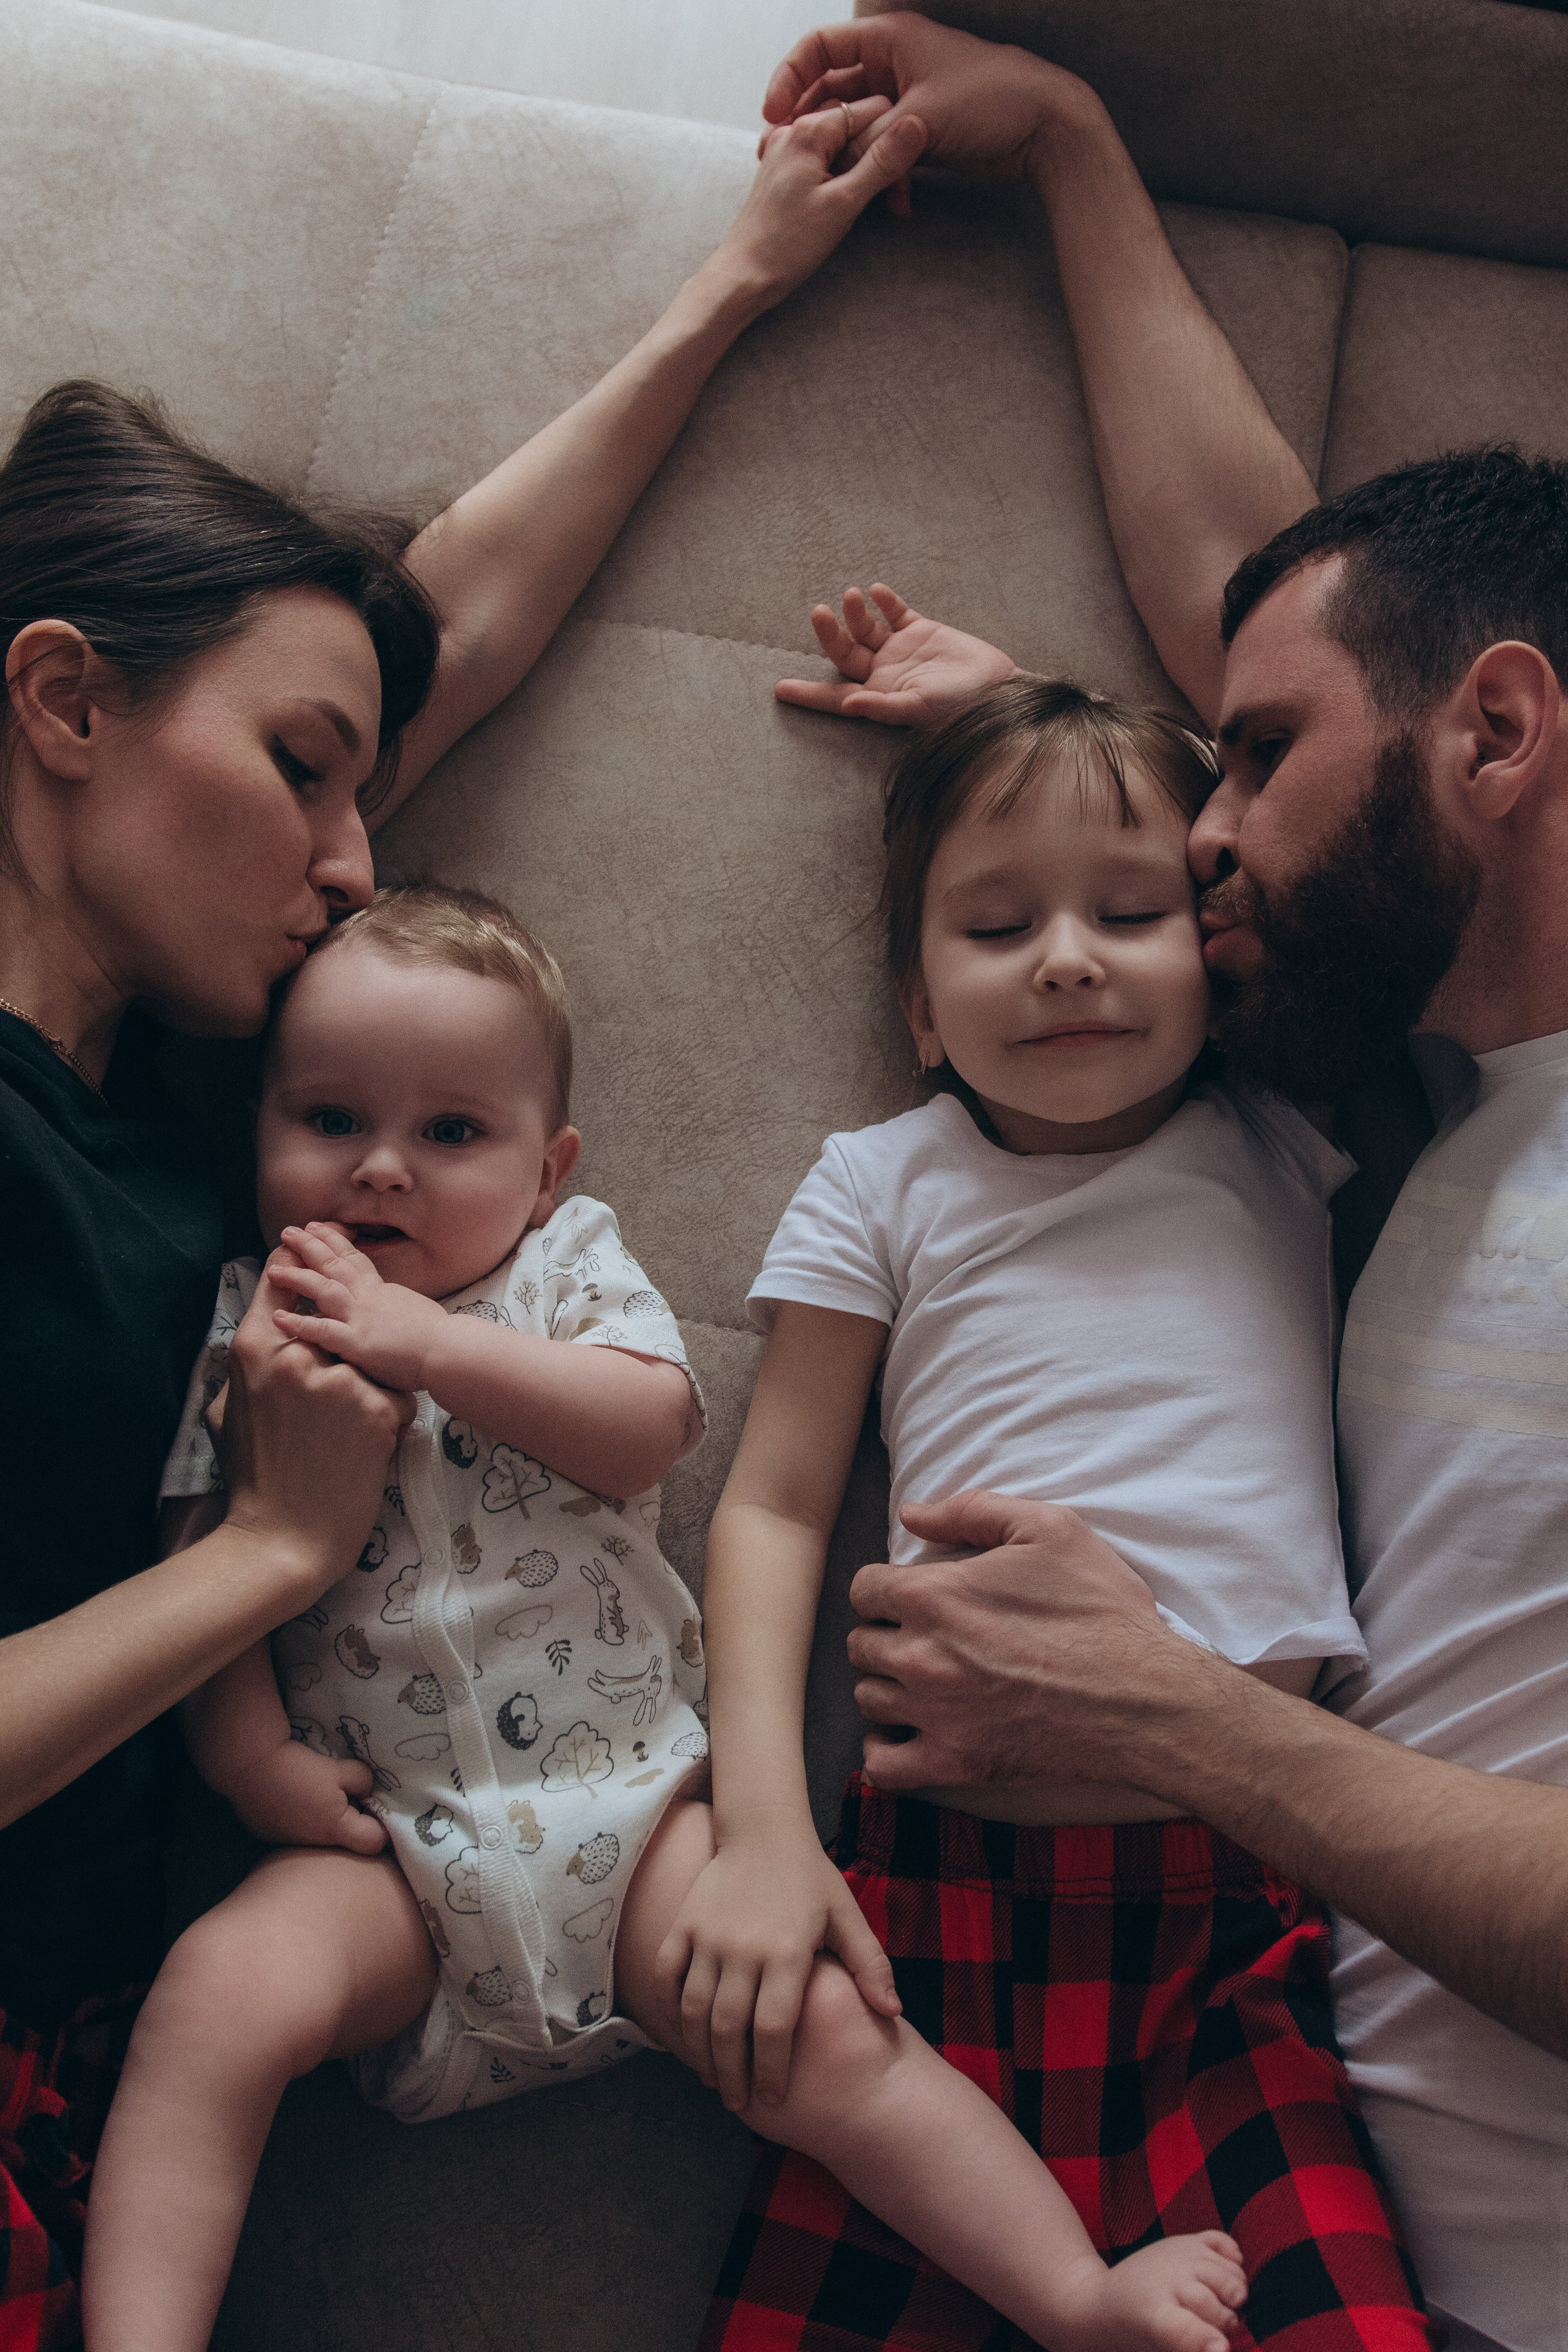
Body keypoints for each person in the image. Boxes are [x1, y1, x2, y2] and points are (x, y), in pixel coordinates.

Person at [0, 90, 929, 2350]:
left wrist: (734, 288)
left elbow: (454, 637)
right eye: (302, 772)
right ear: (63, 701)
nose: (352, 857)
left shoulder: (255, 1105)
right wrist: (263, 1563)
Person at [747, 20, 1568, 2351]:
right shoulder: (1399, 1103)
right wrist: (1076, 149)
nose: (1200, 845)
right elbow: (1272, 598)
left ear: (1500, 737)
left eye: (1250, 771)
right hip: (1168, 2128)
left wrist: (1173, 1716)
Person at [84, 879, 1251, 2352]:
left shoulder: (566, 1270)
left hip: (632, 1828)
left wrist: (427, 1343)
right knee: (213, 1999)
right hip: (391, 1863)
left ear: (546, 1165)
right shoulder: (251, 1323)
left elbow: (647, 1429)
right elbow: (198, 1549)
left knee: (823, 2034)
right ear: (258, 1131)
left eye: (451, 1134)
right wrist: (248, 1759)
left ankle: (1074, 2292)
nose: (379, 1172)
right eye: (326, 1122)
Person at [687, 679, 1429, 2352]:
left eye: (1132, 911)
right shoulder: (881, 1181)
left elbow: (1350, 885)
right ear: (920, 1007)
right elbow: (775, 1508)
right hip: (927, 1931)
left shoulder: (1284, 1135)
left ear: (1217, 952)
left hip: (1232, 1927)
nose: (1072, 958)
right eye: (1001, 923)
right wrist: (762, 1831)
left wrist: (1046, 706)